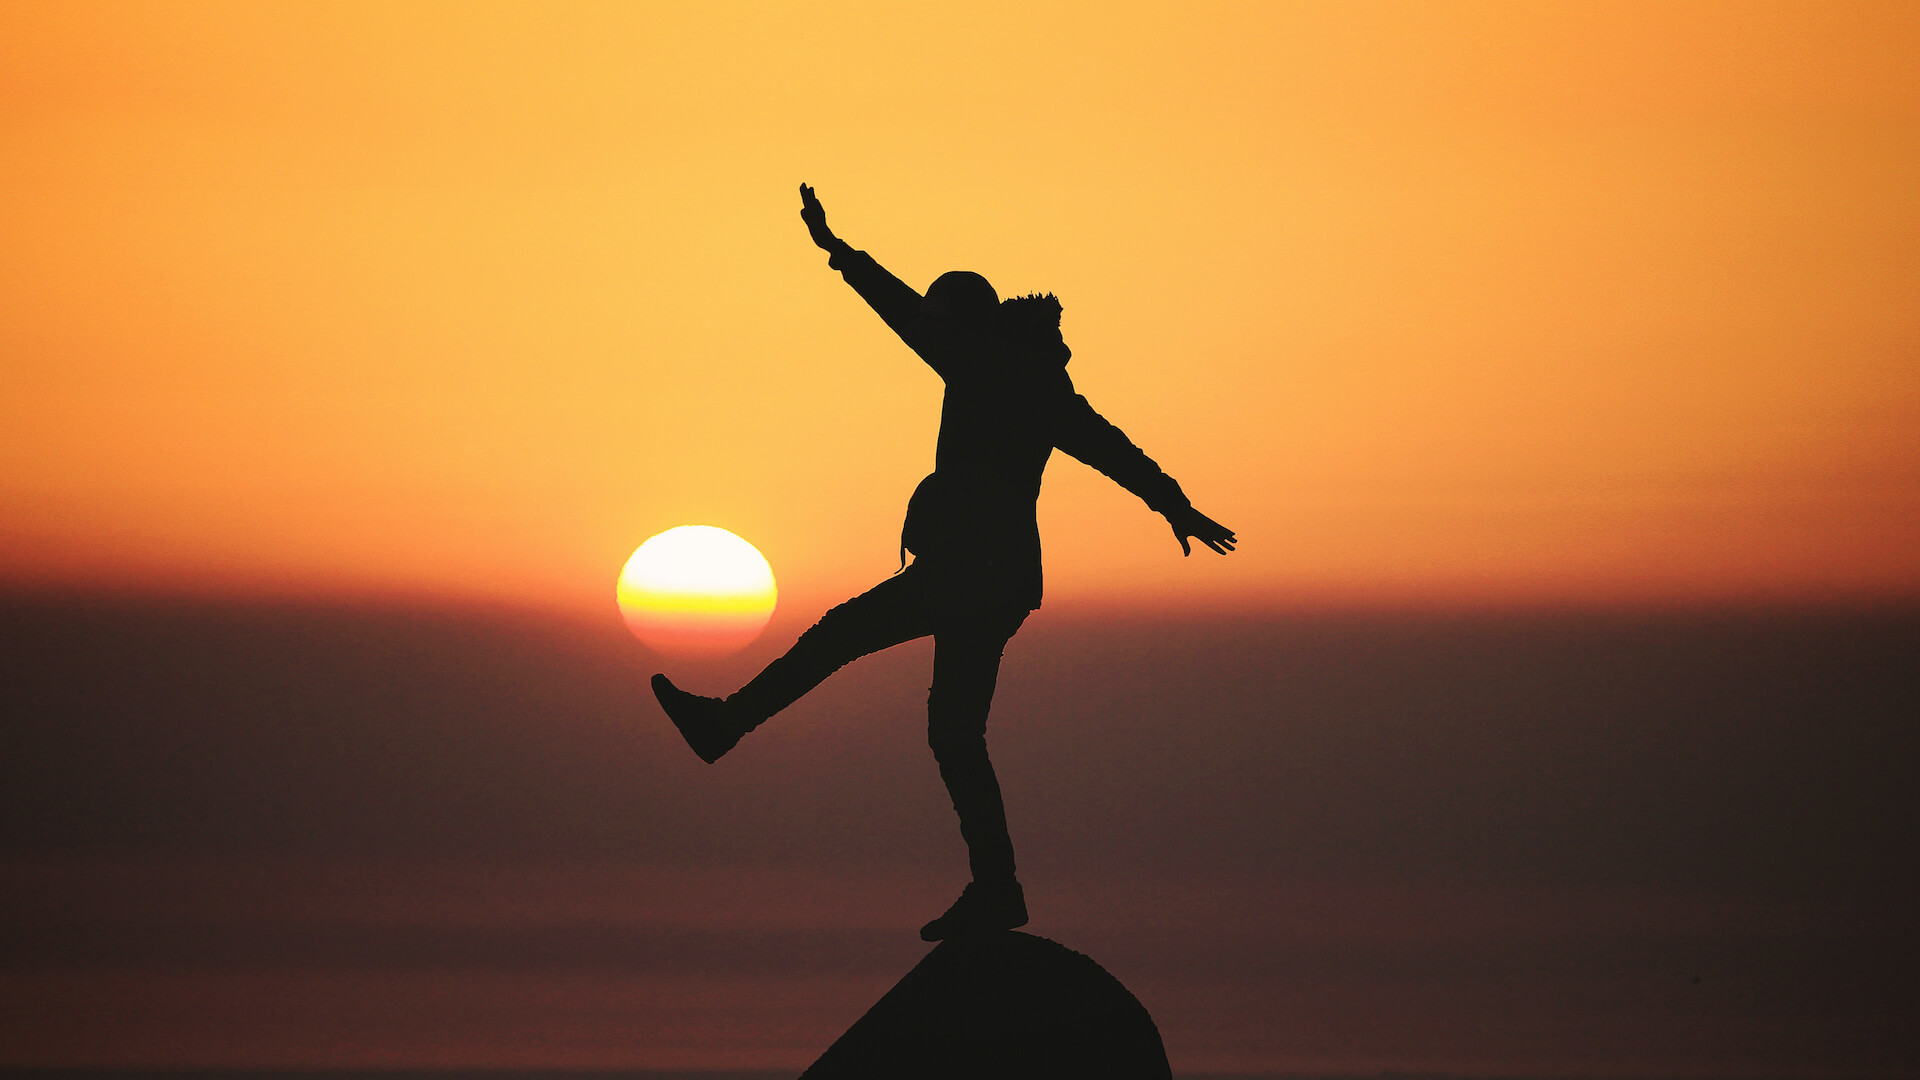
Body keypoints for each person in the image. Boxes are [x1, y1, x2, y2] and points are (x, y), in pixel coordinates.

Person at [653, 184, 1236, 941]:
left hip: (967, 573)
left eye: (940, 327)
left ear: (960, 326)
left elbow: (903, 314)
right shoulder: (1036, 379)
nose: (933, 339)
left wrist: (840, 255)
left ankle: (725, 727)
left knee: (839, 637)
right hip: (996, 584)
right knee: (955, 734)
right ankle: (997, 887)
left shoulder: (984, 362)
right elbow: (1111, 445)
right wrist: (1173, 503)